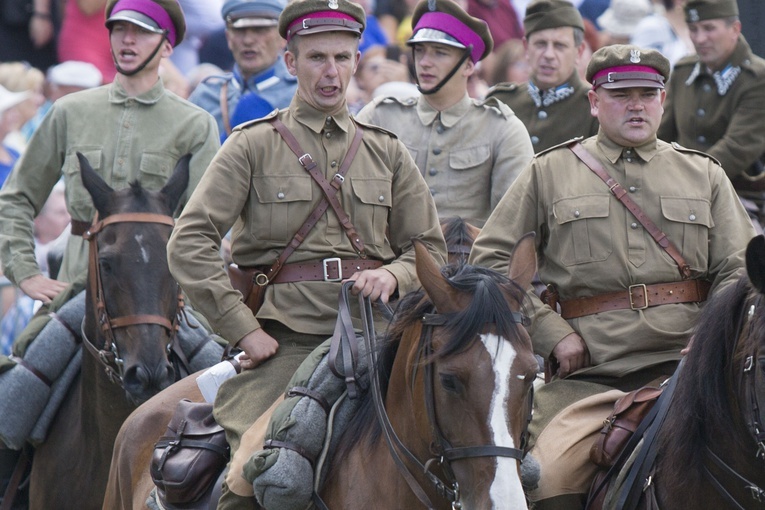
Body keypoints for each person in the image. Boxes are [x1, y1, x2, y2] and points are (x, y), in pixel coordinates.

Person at [165, 0, 447, 507]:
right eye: (317, 57)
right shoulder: (252, 145)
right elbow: (190, 241)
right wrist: (243, 330)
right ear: (290, 62)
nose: (331, 72)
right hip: (285, 343)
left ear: (358, 60)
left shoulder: (386, 150)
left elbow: (428, 249)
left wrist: (396, 276)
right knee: (252, 475)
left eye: (342, 57)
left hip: (381, 338)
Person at [469, 44, 755, 509]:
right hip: (591, 377)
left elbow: (739, 270)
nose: (637, 105)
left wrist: (711, 333)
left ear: (664, 99)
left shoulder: (704, 175)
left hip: (689, 370)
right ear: (594, 102)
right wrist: (550, 332)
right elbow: (490, 263)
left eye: (648, 93)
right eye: (621, 94)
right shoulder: (550, 173)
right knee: (549, 481)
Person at [0, 0, 220, 496]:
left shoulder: (195, 125)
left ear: (166, 45)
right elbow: (15, 198)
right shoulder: (70, 111)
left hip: (166, 300)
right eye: (118, 30)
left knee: (222, 392)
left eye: (140, 33)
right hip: (78, 288)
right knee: (14, 393)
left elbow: (210, 225)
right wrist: (24, 270)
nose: (126, 41)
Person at [356, 0, 533, 227]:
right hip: (390, 257)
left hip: (468, 258)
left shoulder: (502, 128)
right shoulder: (379, 117)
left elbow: (513, 226)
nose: (425, 63)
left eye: (440, 53)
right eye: (419, 51)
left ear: (469, 65)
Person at [658, 0, 765, 228]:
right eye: (693, 29)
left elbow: (737, 147)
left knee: (747, 256)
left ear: (735, 29)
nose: (699, 38)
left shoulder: (757, 78)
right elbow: (660, 135)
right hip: (673, 193)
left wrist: (683, 183)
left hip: (735, 197)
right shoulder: (683, 71)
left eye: (709, 28)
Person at [486, 0, 599, 152]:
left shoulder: (595, 109)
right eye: (540, 44)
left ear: (579, 52)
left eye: (560, 45)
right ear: (526, 47)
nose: (548, 55)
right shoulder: (501, 101)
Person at [188, 0, 298, 141]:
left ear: (283, 38)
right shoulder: (206, 96)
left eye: (260, 30)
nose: (248, 40)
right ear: (228, 37)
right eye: (239, 30)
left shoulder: (300, 95)